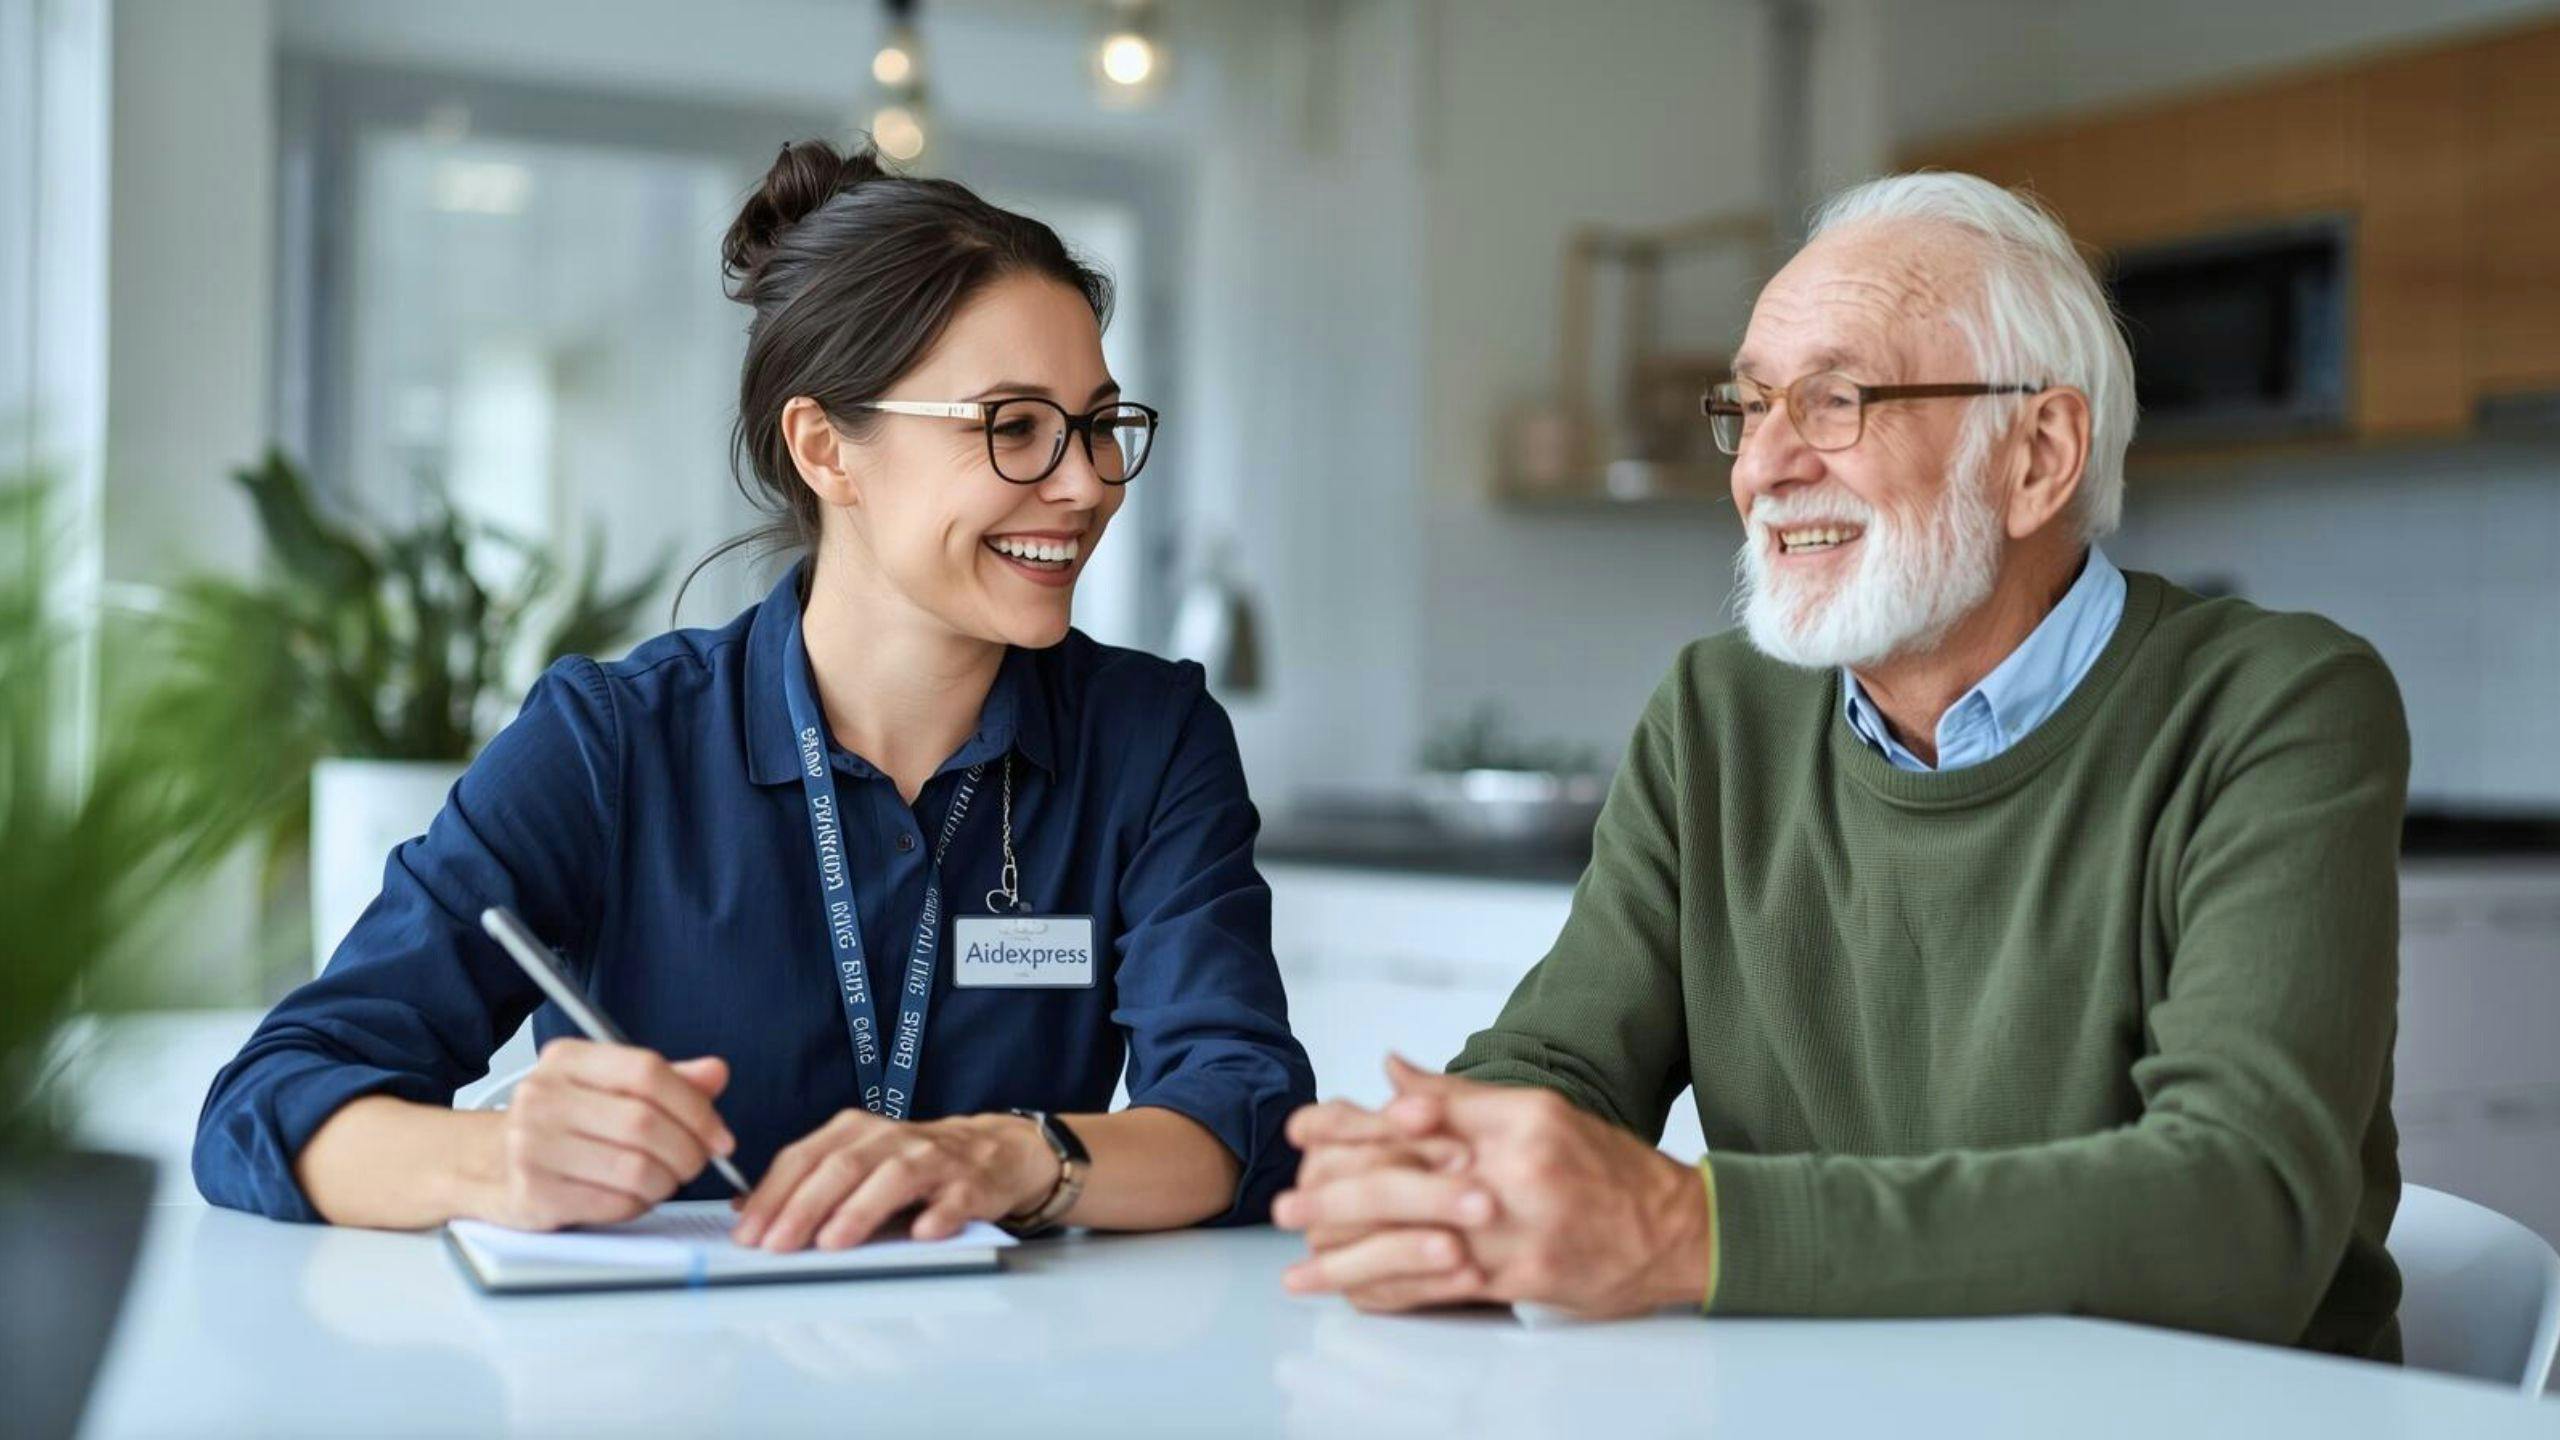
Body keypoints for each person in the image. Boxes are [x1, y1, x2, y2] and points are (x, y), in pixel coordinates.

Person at [1275, 172, 2407, 1360]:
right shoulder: (1720, 715)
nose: (1761, 466)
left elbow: (2238, 1212)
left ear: (2037, 455)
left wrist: (1687, 1230)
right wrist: (1448, 1179)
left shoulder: (2276, 706)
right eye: (1750, 405)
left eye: (1833, 401)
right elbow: (1561, 1060)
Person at [195, 138, 1314, 1250]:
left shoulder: (1151, 738)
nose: (1083, 484)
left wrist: (1011, 1156)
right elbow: (266, 1103)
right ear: (827, 449)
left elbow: (1239, 1114)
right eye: (1012, 428)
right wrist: (497, 1161)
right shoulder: (611, 741)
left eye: (1098, 426)